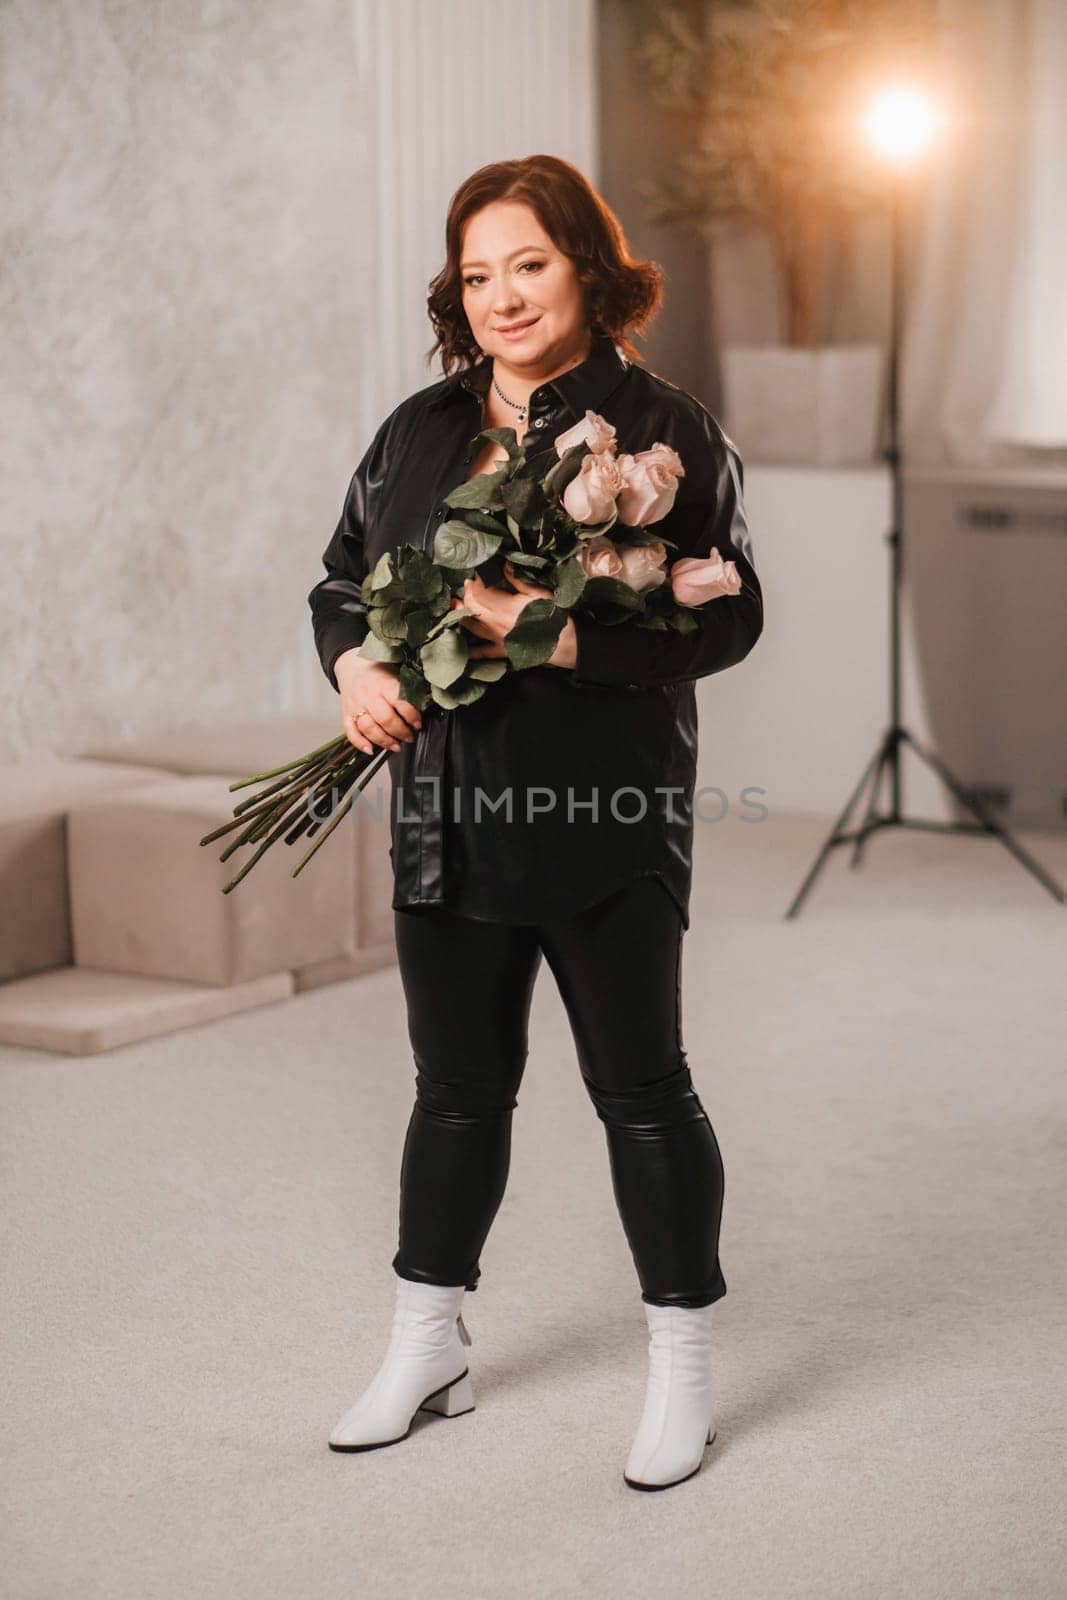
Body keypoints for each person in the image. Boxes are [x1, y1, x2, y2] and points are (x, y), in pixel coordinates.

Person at [307, 154, 763, 1491]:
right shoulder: (417, 430)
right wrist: (357, 668)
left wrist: (551, 639)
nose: (500, 294)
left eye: (529, 263)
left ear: (585, 267)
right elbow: (343, 578)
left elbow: (726, 619)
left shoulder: (664, 431)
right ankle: (426, 1339)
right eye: (476, 271)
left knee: (642, 1091)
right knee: (453, 1093)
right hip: (442, 817)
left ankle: (681, 1367)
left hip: (602, 818)